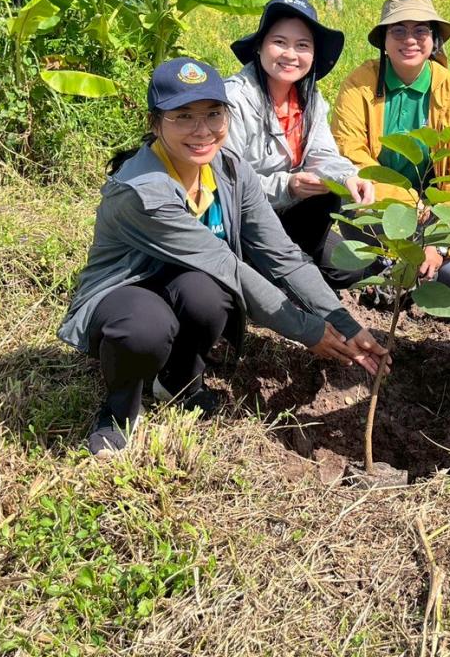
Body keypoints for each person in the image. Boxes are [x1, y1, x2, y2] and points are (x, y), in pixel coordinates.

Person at [58, 57, 390, 457]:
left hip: (189, 279)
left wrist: (341, 321)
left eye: (214, 114)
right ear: (155, 123)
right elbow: (227, 265)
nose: (202, 131)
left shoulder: (231, 171)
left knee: (211, 295)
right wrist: (308, 330)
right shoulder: (143, 191)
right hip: (127, 289)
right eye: (183, 117)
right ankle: (118, 413)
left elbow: (282, 255)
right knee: (145, 326)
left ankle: (177, 381)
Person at [332, 0, 450, 293]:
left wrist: (438, 245)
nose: (409, 39)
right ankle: (389, 271)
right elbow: (349, 153)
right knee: (360, 261)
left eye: (420, 30)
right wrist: (407, 202)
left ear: (434, 39)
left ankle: (412, 270)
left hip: (435, 217)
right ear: (384, 40)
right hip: (376, 207)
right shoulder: (359, 84)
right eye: (398, 30)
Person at [223, 0, 374, 289]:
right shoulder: (234, 100)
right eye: (279, 42)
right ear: (259, 46)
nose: (290, 54)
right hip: (243, 221)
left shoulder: (311, 100)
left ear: (313, 54)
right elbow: (226, 183)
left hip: (288, 216)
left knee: (351, 269)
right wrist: (287, 186)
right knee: (321, 207)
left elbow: (322, 154)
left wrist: (348, 176)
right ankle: (267, 276)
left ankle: (285, 271)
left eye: (302, 45)